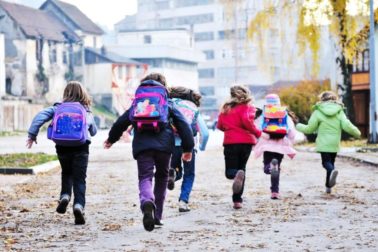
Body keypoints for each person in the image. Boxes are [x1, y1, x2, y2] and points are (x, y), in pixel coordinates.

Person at [103, 73, 194, 232]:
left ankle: (146, 201)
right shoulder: (167, 103)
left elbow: (122, 122)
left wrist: (111, 139)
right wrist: (188, 148)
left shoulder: (138, 103)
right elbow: (184, 125)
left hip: (142, 146)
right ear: (164, 86)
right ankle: (157, 215)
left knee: (145, 176)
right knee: (162, 177)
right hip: (164, 147)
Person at [27, 81, 97, 225]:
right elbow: (93, 131)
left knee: (67, 172)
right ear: (82, 94)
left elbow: (40, 117)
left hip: (62, 147)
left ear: (66, 93)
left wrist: (32, 134)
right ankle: (78, 206)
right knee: (79, 179)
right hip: (81, 148)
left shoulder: (57, 108)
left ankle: (65, 196)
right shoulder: (85, 110)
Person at [296, 91, 361, 193]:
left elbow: (309, 129)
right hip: (334, 143)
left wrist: (298, 125)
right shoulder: (339, 112)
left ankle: (331, 173)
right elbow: (347, 125)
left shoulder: (318, 112)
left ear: (322, 99)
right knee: (331, 163)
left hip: (323, 143)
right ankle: (328, 187)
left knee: (326, 163)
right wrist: (357, 133)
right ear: (335, 99)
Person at [217, 85, 261, 209]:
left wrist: (229, 127)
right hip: (246, 143)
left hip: (231, 142)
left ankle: (234, 174)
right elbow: (248, 122)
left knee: (230, 172)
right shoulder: (248, 107)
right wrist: (258, 133)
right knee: (242, 169)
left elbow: (220, 125)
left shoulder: (226, 108)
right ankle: (237, 200)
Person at [167, 86, 209, 212]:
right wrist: (201, 147)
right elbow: (205, 133)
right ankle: (183, 202)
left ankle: (173, 174)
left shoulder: (170, 104)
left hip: (171, 144)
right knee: (189, 174)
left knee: (174, 168)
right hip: (189, 146)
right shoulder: (193, 108)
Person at [253, 94, 297, 200]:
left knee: (267, 167)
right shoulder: (284, 113)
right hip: (281, 143)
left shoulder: (264, 113)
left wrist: (255, 141)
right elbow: (291, 131)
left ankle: (269, 167)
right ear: (279, 102)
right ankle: (275, 192)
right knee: (276, 168)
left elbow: (257, 128)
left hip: (267, 143)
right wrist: (290, 139)